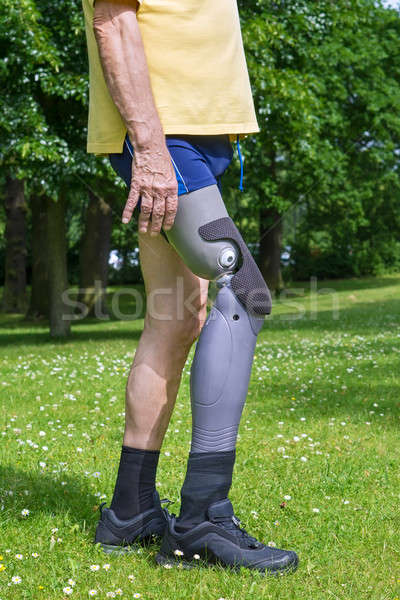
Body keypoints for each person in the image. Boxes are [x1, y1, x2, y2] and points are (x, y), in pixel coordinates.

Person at [82, 0, 299, 575]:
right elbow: (113, 17)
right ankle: (203, 516)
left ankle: (129, 511)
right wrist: (149, 147)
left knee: (176, 315)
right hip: (162, 132)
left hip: (189, 130)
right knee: (245, 289)